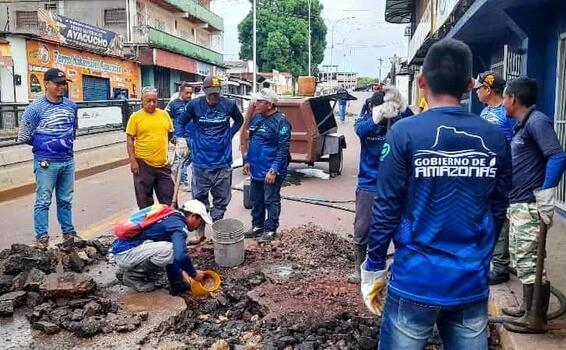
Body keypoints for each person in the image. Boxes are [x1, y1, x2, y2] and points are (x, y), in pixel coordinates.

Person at [361, 39, 512, 349]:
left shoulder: (404, 133)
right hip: (469, 281)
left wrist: (374, 266)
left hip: (415, 280)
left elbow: (387, 207)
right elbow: (498, 209)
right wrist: (479, 256)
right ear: (470, 86)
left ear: (421, 81)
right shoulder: (495, 138)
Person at [500, 77, 566, 328]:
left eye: (505, 97)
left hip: (529, 205)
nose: (503, 102)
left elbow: (558, 156)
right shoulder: (522, 125)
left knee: (530, 261)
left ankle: (535, 318)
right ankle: (526, 308)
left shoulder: (537, 122)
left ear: (513, 98)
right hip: (518, 205)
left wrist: (547, 192)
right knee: (521, 260)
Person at [349, 87, 413, 284]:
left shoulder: (401, 119)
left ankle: (399, 269)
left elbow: (414, 127)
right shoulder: (367, 119)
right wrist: (377, 116)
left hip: (396, 186)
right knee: (362, 230)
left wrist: (399, 107)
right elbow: (361, 130)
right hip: (369, 184)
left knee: (400, 229)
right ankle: (360, 269)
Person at [17, 68, 79, 248]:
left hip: (67, 160)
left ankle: (69, 234)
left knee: (65, 200)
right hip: (46, 162)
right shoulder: (34, 109)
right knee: (43, 200)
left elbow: (73, 130)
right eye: (57, 84)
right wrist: (45, 146)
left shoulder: (71, 106)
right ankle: (42, 237)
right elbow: (24, 135)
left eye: (64, 84)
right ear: (46, 84)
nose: (61, 87)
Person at [174, 76, 244, 225]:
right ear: (204, 91)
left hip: (222, 162)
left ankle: (218, 229)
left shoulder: (229, 105)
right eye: (211, 93)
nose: (214, 97)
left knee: (221, 199)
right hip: (201, 161)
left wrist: (230, 134)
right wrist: (181, 139)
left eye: (216, 93)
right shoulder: (194, 105)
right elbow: (180, 121)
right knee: (199, 198)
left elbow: (239, 120)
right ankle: (200, 232)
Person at [112, 200, 213, 293]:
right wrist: (193, 274)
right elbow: (179, 255)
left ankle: (132, 270)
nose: (198, 227)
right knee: (170, 250)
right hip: (126, 254)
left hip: (126, 250)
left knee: (169, 252)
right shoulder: (179, 227)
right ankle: (133, 276)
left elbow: (175, 258)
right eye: (200, 222)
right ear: (193, 216)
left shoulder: (171, 215)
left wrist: (182, 272)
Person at [474, 71, 516, 285]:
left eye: (479, 88)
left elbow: (514, 145)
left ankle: (500, 266)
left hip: (502, 175)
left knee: (502, 216)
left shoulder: (506, 113)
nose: (476, 93)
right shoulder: (485, 113)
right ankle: (489, 257)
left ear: (488, 89)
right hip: (486, 174)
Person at [243, 88, 291, 241]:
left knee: (270, 199)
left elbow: (283, 149)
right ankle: (257, 226)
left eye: (259, 101)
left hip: (271, 170)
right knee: (256, 198)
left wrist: (274, 170)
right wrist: (247, 161)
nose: (255, 104)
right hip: (256, 168)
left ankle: (270, 229)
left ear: (269, 105)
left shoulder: (281, 122)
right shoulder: (256, 118)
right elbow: (250, 141)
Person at [126, 87, 175, 209]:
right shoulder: (135, 117)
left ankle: (170, 225)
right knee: (145, 203)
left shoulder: (164, 115)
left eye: (154, 101)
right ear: (142, 100)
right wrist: (133, 161)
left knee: (169, 199)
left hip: (163, 165)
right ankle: (149, 227)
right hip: (143, 165)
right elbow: (130, 140)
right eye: (148, 101)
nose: (151, 104)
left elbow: (170, 134)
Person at [166, 82, 193, 189]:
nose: (189, 95)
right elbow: (167, 119)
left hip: (194, 136)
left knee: (192, 158)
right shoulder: (173, 104)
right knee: (182, 159)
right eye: (187, 93)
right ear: (180, 92)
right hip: (181, 137)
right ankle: (183, 182)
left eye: (190, 93)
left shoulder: (193, 104)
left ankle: (180, 174)